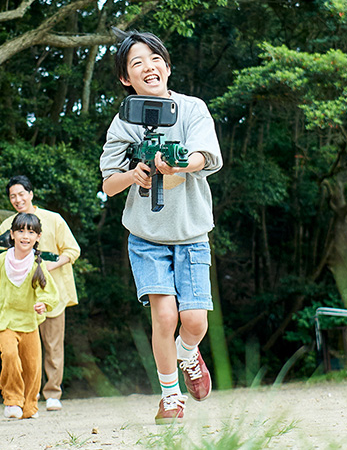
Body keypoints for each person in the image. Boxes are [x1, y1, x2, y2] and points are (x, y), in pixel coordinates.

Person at [98, 30, 223, 425]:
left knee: (195, 322)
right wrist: (133, 175)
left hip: (191, 233)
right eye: (136, 63)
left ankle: (188, 355)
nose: (147, 67)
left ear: (167, 67)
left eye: (154, 59)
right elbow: (107, 183)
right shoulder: (123, 122)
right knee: (165, 317)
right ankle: (171, 397)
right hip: (147, 236)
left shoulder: (191, 109)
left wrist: (179, 164)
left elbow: (207, 156)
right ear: (125, 78)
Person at [0, 175, 80, 411]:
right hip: (19, 299)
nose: (17, 199)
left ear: (31, 194)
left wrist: (47, 266)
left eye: (21, 194)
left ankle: (52, 393)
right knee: (21, 349)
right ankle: (21, 397)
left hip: (52, 293)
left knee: (53, 345)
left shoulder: (53, 220)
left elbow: (72, 250)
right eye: (13, 196)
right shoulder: (6, 226)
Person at [0, 212, 60, 420]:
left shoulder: (38, 264)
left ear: (38, 237)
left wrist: (43, 304)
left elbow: (49, 293)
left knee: (33, 366)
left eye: (31, 232)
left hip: (29, 322)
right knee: (10, 356)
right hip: (6, 320)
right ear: (12, 234)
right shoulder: (1, 261)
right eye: (20, 231)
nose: (25, 236)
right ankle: (12, 400)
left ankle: (29, 405)